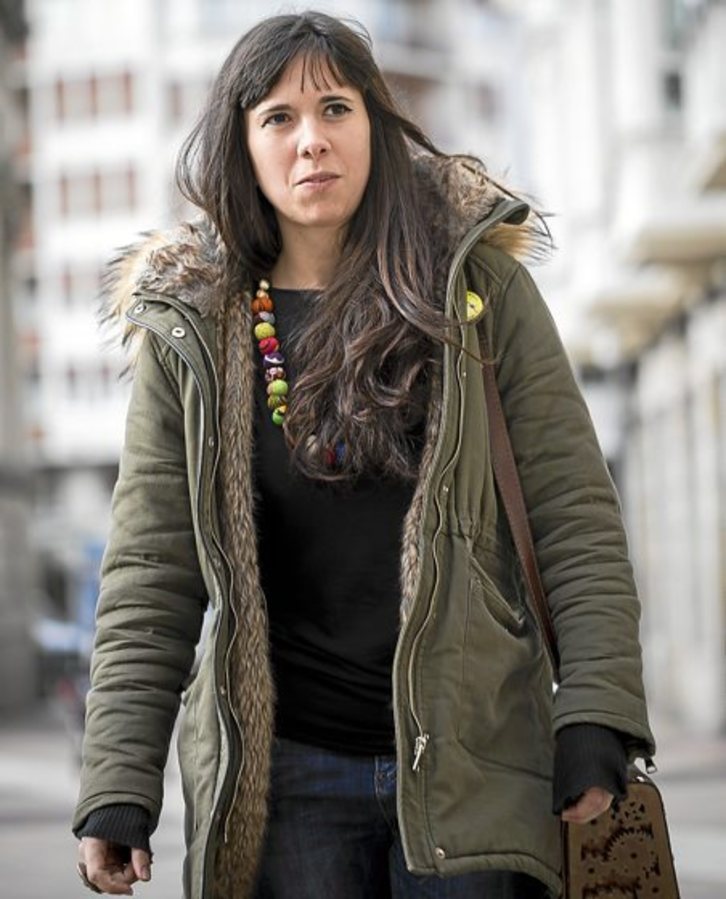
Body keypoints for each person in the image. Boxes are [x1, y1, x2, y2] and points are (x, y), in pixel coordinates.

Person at [72, 10, 655, 899]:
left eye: (335, 109)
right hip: (285, 784)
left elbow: (573, 512)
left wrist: (597, 713)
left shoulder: (476, 288)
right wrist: (119, 781)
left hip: (474, 762)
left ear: (375, 127)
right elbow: (150, 570)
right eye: (279, 117)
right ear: (242, 145)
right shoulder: (193, 328)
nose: (311, 140)